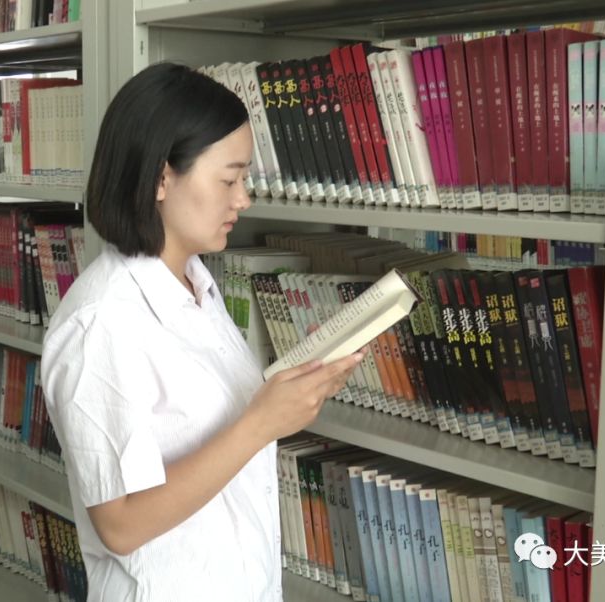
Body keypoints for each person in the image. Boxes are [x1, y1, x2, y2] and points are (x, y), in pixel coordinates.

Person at [41, 63, 363, 601]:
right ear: (161, 178)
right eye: (229, 179)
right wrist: (261, 424)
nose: (243, 199)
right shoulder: (101, 323)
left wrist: (292, 396)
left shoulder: (196, 283)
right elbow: (120, 524)